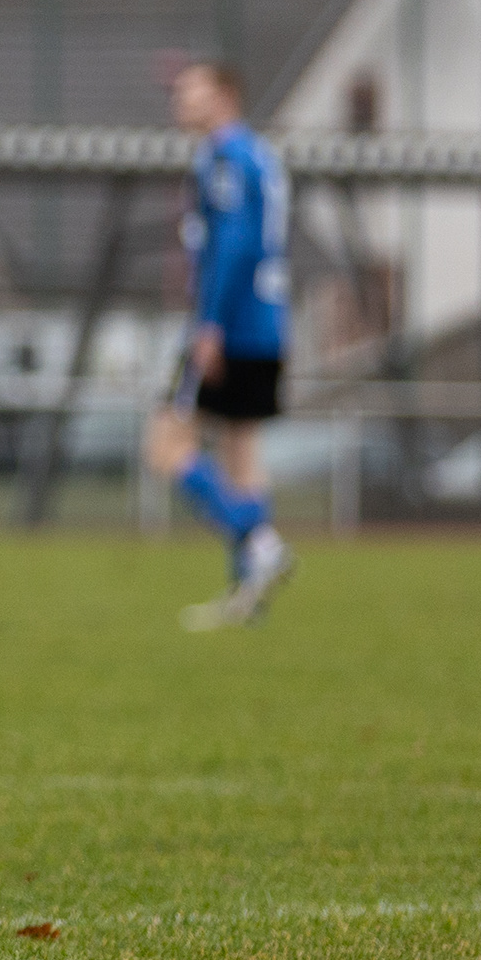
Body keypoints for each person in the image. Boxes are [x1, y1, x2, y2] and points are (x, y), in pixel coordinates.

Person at [146, 58, 297, 627]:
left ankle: (257, 541)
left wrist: (209, 324)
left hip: (231, 326)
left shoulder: (225, 157)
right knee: (241, 458)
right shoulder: (257, 153)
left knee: (164, 443)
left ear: (225, 96)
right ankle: (247, 595)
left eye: (191, 91)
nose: (179, 101)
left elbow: (234, 245)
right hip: (266, 323)